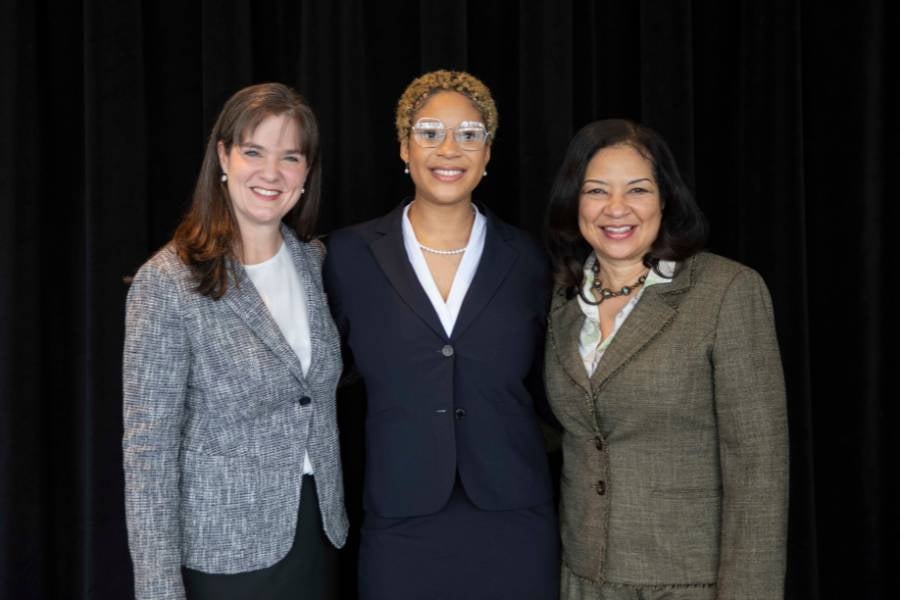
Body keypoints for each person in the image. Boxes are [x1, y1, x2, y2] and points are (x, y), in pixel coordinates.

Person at [323, 70, 560, 600]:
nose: (449, 148)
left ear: (488, 153)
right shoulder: (347, 256)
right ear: (405, 147)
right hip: (400, 519)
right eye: (430, 132)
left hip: (514, 518)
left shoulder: (529, 260)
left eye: (469, 134)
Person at [543, 119, 789, 600]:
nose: (616, 209)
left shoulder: (726, 292)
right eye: (597, 191)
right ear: (575, 203)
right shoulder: (565, 300)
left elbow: (759, 471)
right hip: (582, 576)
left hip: (687, 582)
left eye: (637, 190)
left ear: (665, 200)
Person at [122, 83, 348, 600]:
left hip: (317, 535)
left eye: (290, 157)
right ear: (223, 156)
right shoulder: (167, 281)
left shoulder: (314, 263)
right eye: (253, 152)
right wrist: (157, 589)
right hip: (224, 554)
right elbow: (148, 452)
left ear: (306, 173)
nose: (272, 173)